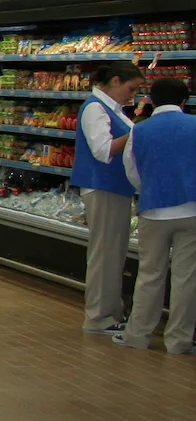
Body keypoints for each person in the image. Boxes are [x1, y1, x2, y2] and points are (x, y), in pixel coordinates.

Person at [120, 76, 196, 354]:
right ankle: (179, 342)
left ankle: (137, 336)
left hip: (153, 210)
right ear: (184, 101)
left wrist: (150, 189)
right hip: (191, 211)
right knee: (186, 278)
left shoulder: (139, 130)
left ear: (151, 100)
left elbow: (131, 171)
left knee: (150, 274)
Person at [74, 60, 143, 336]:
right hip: (103, 187)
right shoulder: (95, 108)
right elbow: (103, 150)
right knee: (105, 254)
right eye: (131, 88)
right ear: (115, 81)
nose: (132, 95)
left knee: (113, 254)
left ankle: (111, 312)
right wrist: (138, 133)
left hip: (115, 188)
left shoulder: (112, 110)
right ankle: (99, 317)